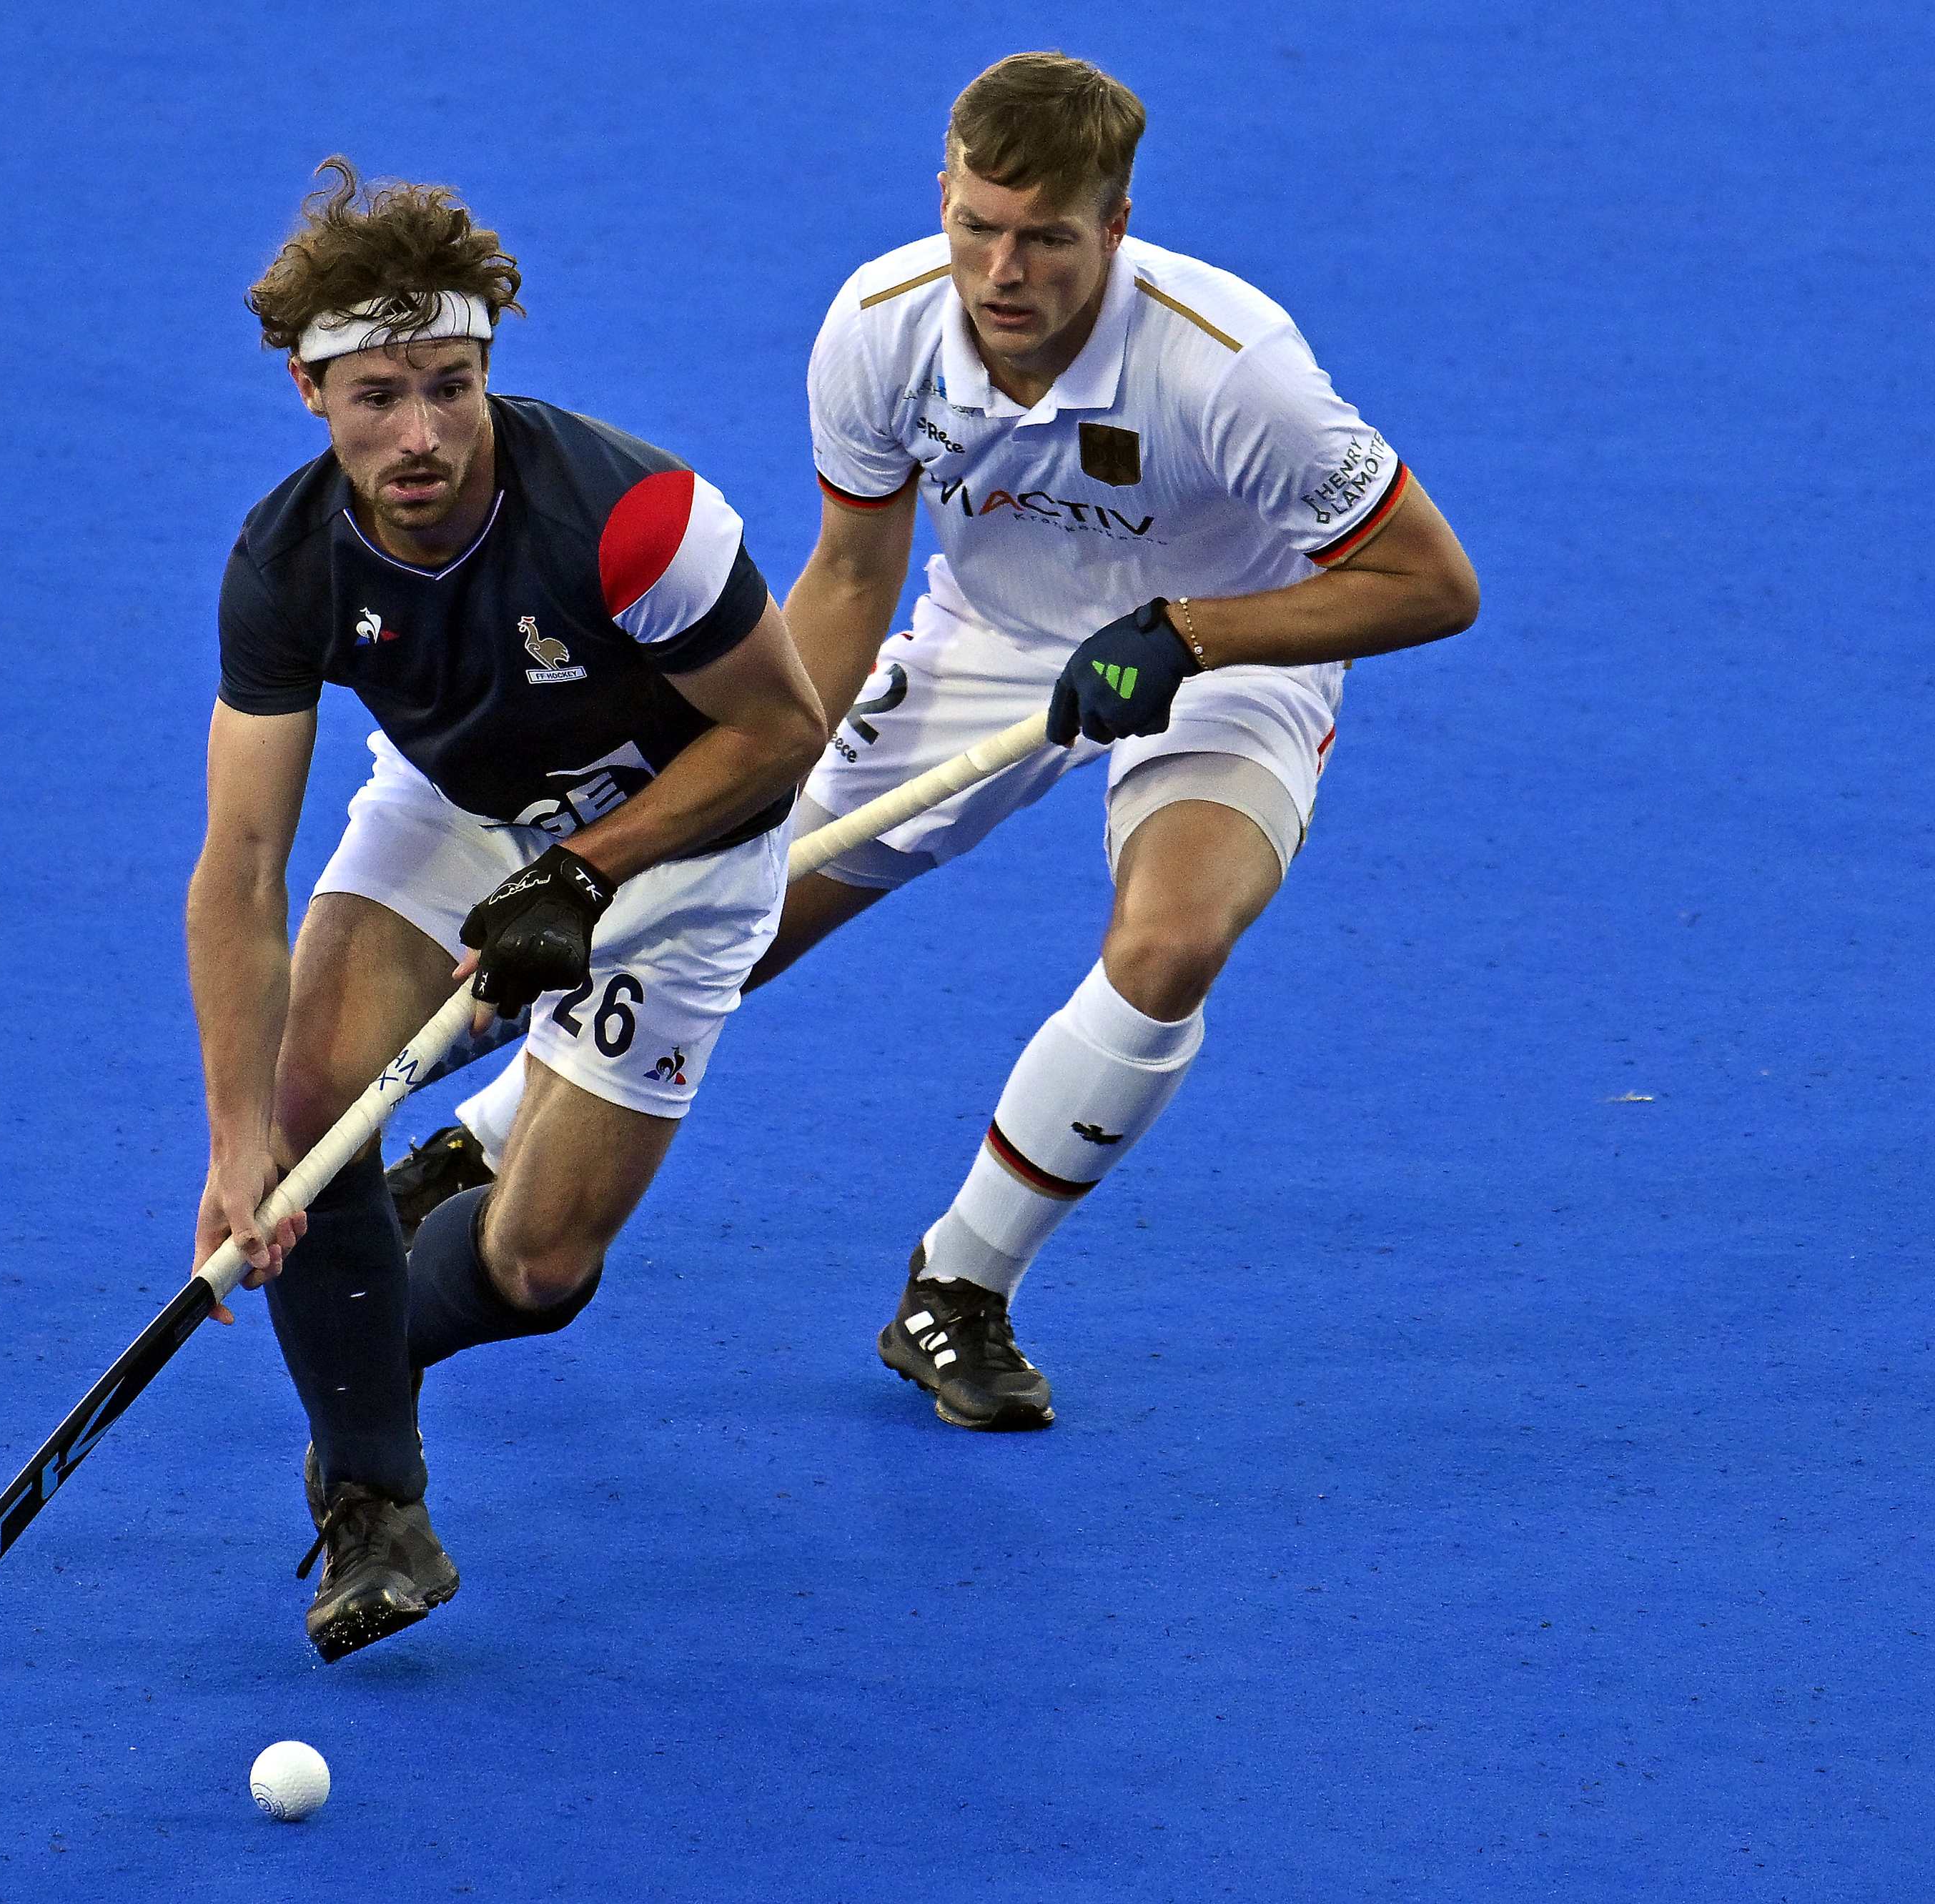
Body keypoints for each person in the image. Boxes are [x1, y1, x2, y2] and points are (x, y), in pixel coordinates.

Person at [391, 50, 1480, 1431]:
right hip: (986, 647)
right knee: (743, 907)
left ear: (1120, 226)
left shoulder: (1235, 375)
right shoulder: (879, 328)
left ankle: (957, 1286)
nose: (1003, 271)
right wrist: (760, 764)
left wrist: (1192, 635)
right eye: (978, 225)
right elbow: (851, 578)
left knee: (1171, 943)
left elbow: (1433, 586)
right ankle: (484, 1146)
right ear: (945, 197)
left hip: (1231, 642)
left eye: (1048, 239)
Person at [192, 159, 823, 1660]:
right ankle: (372, 1502)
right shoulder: (285, 566)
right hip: (456, 811)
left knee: (540, 1271)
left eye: (451, 388)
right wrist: (236, 1146)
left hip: (684, 850)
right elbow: (240, 864)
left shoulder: (635, 518)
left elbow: (780, 735)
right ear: (308, 392)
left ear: (488, 376)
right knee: (305, 1100)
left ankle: (367, 1323)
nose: (420, 435)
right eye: (378, 397)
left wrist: (592, 871)